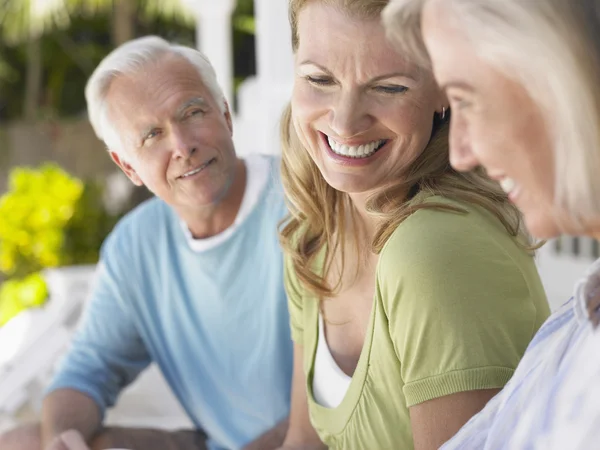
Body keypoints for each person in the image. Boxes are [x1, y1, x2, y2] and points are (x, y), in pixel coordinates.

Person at [276, 1, 551, 449]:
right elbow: (304, 441)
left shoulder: (435, 247)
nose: (345, 122)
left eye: (389, 88)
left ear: (445, 86)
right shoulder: (312, 240)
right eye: (319, 79)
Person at [0, 36, 293, 450]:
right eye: (151, 135)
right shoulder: (137, 245)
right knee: (23, 443)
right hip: (215, 442)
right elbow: (86, 371)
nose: (181, 146)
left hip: (318, 438)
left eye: (192, 112)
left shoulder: (303, 200)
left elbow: (338, 397)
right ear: (127, 166)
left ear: (226, 115)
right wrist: (62, 443)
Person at [383, 0, 600, 448]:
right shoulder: (574, 328)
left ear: (561, 74)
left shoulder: (434, 247)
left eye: (465, 99)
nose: (460, 153)